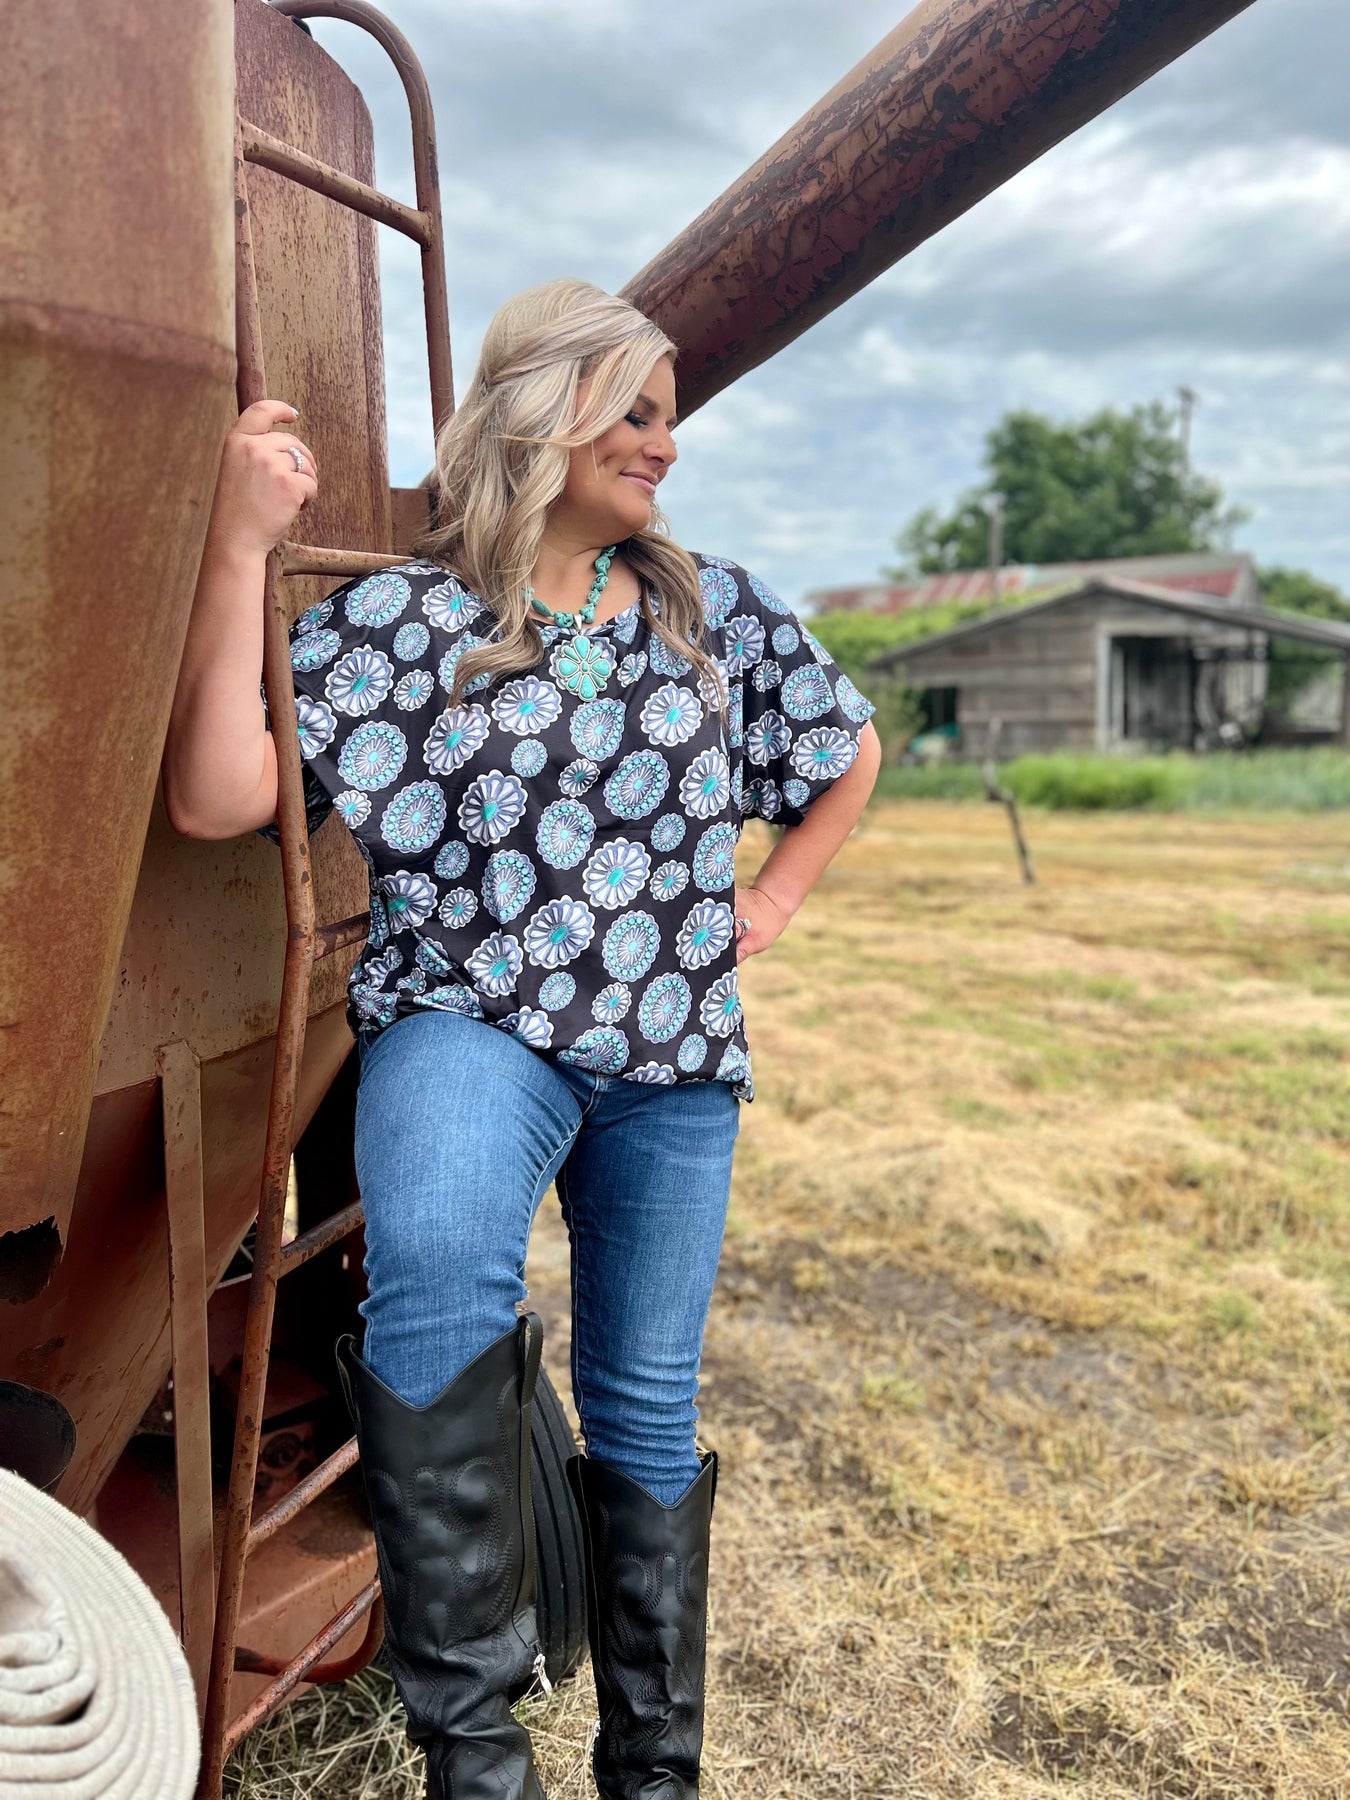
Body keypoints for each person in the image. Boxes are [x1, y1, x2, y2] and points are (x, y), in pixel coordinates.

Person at [162, 278, 880, 1800]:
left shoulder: (710, 611)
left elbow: (847, 745)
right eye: (635, 412)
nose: (664, 444)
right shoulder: (405, 621)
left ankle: (653, 1777)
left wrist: (771, 901)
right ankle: (480, 1772)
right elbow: (219, 794)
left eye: (669, 418)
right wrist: (236, 551)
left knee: (642, 1403)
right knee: (435, 1297)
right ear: (541, 413)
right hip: (470, 1020)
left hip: (673, 1054)